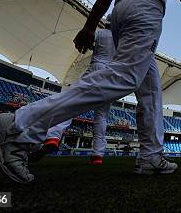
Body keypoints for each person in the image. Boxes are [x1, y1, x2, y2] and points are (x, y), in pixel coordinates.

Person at [0, 0, 181, 183]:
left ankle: (151, 156)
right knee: (125, 77)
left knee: (150, 88)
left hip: (120, 12)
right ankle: (17, 126)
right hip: (146, 11)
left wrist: (89, 26)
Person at [30, 20, 116, 165]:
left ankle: (53, 135)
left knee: (71, 103)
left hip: (96, 67)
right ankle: (97, 156)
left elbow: (82, 45)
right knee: (101, 116)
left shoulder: (100, 33)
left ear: (106, 23)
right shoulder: (120, 39)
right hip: (110, 74)